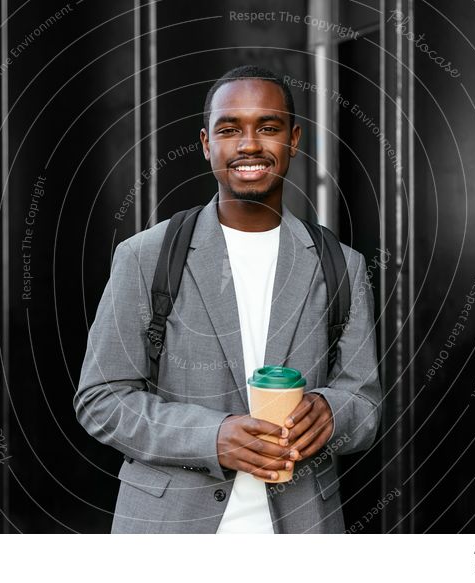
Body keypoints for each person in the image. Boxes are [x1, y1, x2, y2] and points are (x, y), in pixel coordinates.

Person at [74, 65, 381, 533]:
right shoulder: (145, 256)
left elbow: (364, 403)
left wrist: (331, 413)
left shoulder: (342, 265)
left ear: (293, 140)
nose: (249, 144)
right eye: (230, 129)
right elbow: (101, 399)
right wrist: (210, 437)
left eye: (268, 127)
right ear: (206, 144)